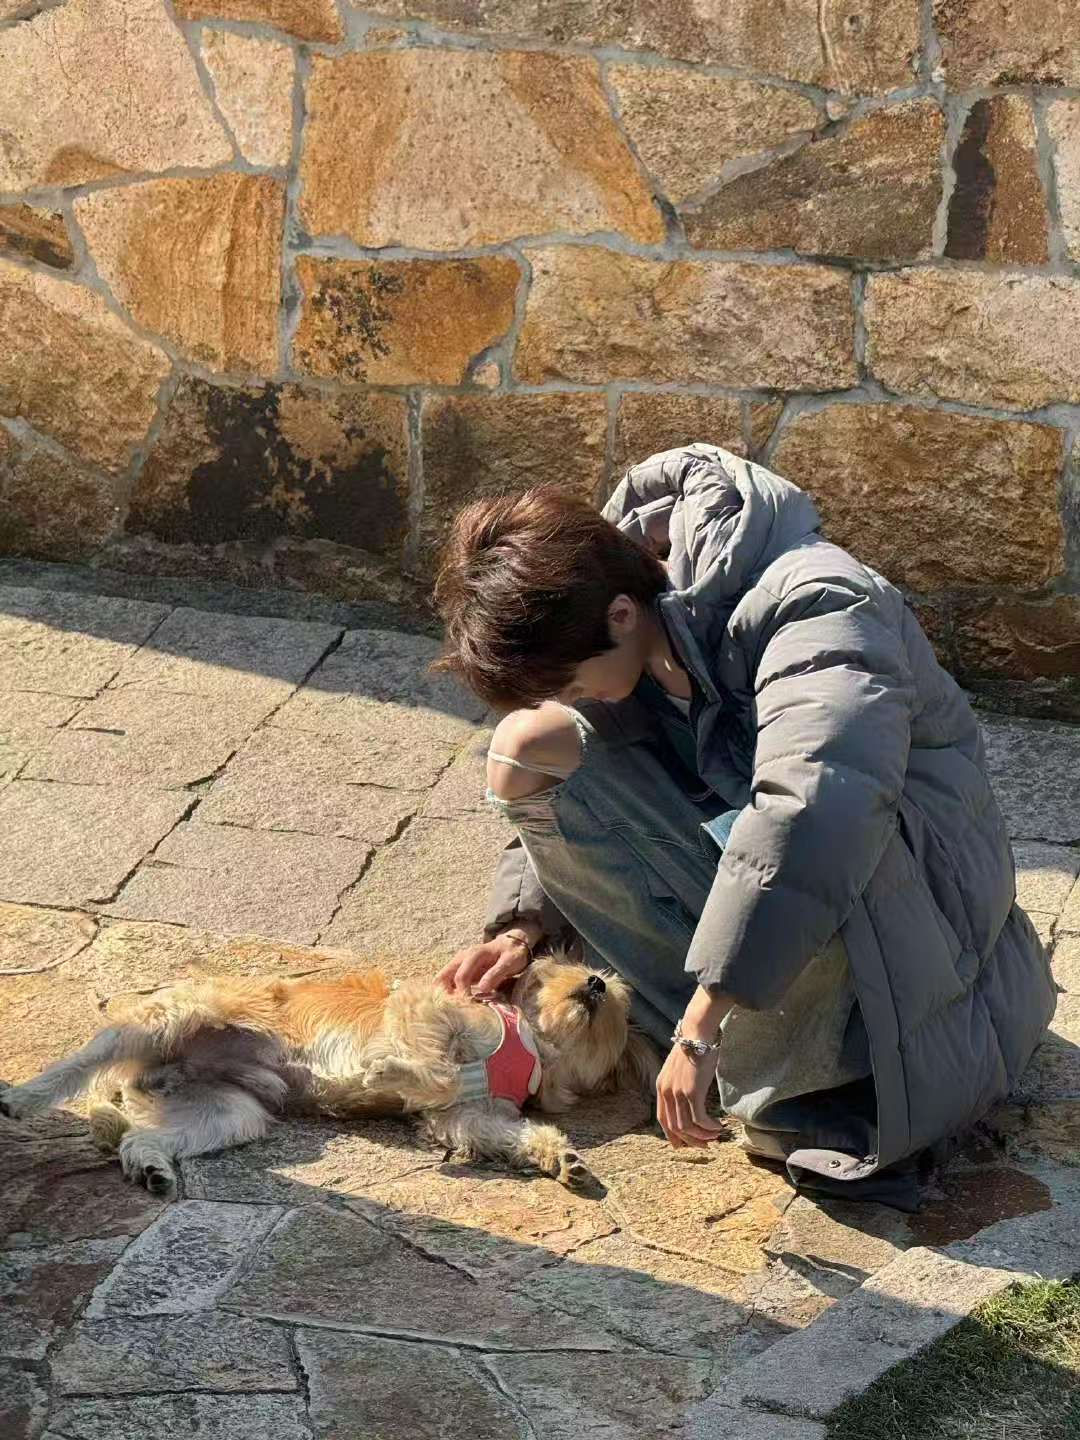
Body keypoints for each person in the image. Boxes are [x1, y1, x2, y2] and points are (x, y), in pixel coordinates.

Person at [432, 444, 1055, 1207]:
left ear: (620, 615)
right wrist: (522, 929)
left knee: (777, 838)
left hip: (913, 922)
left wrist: (698, 1028)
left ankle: (752, 1044)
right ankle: (726, 1024)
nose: (568, 694)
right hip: (785, 874)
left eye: (565, 677)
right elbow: (597, 783)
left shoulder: (821, 604)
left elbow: (811, 819)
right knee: (527, 749)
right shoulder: (627, 605)